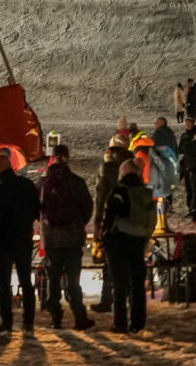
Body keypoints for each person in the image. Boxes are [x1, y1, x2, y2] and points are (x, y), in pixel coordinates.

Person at [37, 144, 94, 331]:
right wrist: (78, 223)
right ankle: (79, 317)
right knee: (73, 280)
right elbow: (87, 206)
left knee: (52, 280)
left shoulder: (43, 182)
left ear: (52, 157)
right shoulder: (76, 181)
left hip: (51, 239)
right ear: (67, 157)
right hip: (73, 237)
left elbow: (36, 209)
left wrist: (46, 223)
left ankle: (56, 319)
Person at [102, 159, 156, 333]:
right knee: (137, 284)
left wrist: (104, 235)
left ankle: (120, 323)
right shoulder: (145, 193)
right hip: (139, 240)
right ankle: (138, 323)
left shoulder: (119, 191)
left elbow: (110, 215)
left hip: (118, 240)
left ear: (124, 172)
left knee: (119, 283)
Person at [0, 153, 39, 334]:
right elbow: (36, 210)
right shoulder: (27, 185)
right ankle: (28, 321)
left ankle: (7, 322)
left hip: (3, 243)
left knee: (3, 284)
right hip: (24, 240)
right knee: (26, 282)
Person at [91, 135, 133, 313]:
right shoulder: (133, 164)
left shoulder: (107, 168)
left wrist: (98, 223)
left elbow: (101, 197)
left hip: (112, 220)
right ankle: (130, 299)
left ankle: (107, 299)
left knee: (110, 263)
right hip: (132, 221)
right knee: (129, 262)